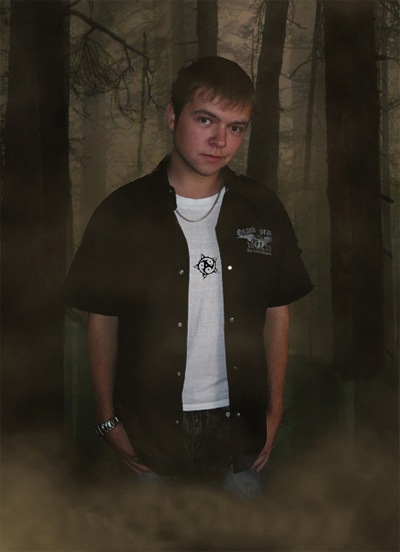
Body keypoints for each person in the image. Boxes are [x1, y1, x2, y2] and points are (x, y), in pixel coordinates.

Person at [63, 56, 313, 497]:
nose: (220, 140)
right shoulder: (121, 212)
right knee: (153, 533)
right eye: (205, 120)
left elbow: (277, 314)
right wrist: (106, 419)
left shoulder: (262, 209)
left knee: (240, 534)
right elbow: (103, 320)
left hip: (239, 429)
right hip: (149, 428)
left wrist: (274, 411)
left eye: (236, 127)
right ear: (172, 116)